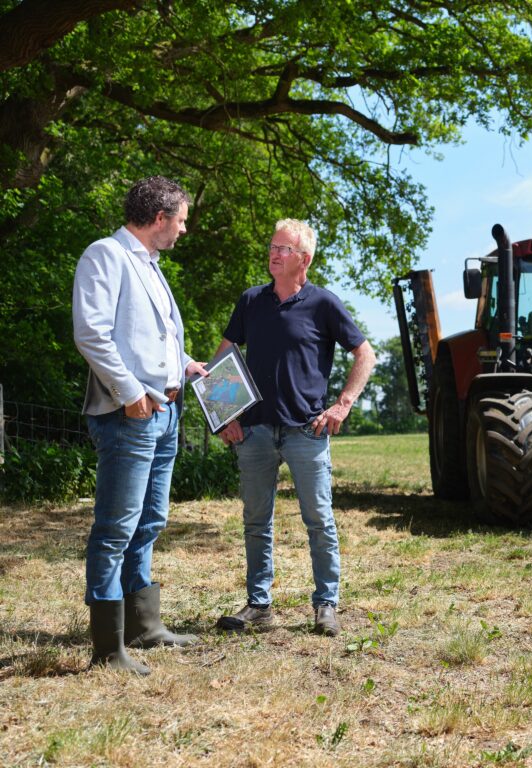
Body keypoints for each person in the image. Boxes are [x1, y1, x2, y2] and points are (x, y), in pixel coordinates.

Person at [72, 176, 208, 675]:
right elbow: (92, 333)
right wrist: (131, 395)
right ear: (160, 218)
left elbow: (152, 339)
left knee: (150, 522)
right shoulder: (105, 255)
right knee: (115, 529)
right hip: (130, 415)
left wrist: (185, 365)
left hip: (166, 413)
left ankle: (144, 626)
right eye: (182, 220)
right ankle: (108, 649)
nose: (184, 230)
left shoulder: (150, 264)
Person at [215, 219, 376, 637]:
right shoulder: (251, 300)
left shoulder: (323, 303)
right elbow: (224, 356)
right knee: (256, 521)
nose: (273, 253)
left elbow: (365, 354)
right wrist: (224, 415)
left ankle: (326, 605)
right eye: (272, 246)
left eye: (283, 249)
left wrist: (343, 404)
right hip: (255, 432)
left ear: (303, 259)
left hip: (307, 431)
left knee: (319, 521)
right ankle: (258, 605)